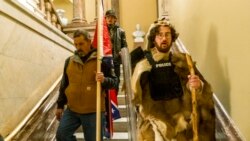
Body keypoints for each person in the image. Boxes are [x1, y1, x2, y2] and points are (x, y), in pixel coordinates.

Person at [131, 18, 215, 141]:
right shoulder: (142, 65)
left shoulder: (184, 62)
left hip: (181, 125)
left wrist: (198, 86)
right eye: (160, 35)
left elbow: (201, 89)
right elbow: (137, 98)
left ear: (172, 37)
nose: (164, 38)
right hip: (154, 126)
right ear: (154, 39)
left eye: (167, 34)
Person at [55, 29, 118, 141]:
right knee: (62, 135)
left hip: (93, 111)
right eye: (76, 44)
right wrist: (60, 105)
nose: (78, 47)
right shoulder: (69, 61)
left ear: (89, 42)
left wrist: (104, 80)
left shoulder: (101, 61)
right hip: (72, 110)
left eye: (81, 44)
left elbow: (115, 82)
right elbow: (64, 84)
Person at [105, 9, 128, 92]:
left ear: (115, 19)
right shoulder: (102, 31)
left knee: (116, 81)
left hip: (116, 60)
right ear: (105, 19)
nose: (110, 19)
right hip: (105, 60)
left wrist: (122, 52)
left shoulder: (121, 31)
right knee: (106, 81)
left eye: (112, 17)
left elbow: (124, 46)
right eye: (108, 17)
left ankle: (115, 101)